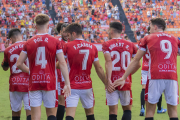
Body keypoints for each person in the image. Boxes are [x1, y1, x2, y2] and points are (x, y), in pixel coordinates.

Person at [113, 18, 179, 120]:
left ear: (155, 27)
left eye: (151, 26)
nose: (149, 29)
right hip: (172, 76)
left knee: (150, 110)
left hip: (155, 76)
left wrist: (124, 77)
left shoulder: (148, 38)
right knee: (173, 110)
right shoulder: (174, 39)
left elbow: (136, 59)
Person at [16, 14, 71, 120]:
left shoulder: (28, 42)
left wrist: (30, 71)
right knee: (51, 114)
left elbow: (19, 63)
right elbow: (62, 63)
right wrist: (67, 83)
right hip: (50, 81)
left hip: (34, 82)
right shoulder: (55, 41)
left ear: (35, 26)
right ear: (48, 26)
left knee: (35, 116)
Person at [59, 23, 107, 120]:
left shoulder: (67, 46)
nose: (68, 38)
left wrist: (53, 64)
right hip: (87, 86)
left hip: (72, 86)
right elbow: (99, 68)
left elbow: (61, 63)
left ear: (73, 33)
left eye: (68, 36)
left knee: (69, 115)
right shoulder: (92, 47)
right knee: (90, 114)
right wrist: (106, 83)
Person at [102, 22, 141, 120]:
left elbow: (108, 61)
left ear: (111, 31)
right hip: (125, 81)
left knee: (112, 112)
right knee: (127, 110)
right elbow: (138, 64)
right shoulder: (130, 44)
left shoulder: (107, 44)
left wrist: (108, 80)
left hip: (111, 82)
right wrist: (127, 75)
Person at [1, 28, 31, 120]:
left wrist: (6, 49)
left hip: (15, 84)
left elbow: (5, 68)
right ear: (21, 36)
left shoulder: (8, 50)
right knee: (30, 111)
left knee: (15, 112)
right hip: (29, 83)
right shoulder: (29, 45)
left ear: (10, 39)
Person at [140, 27, 167, 116]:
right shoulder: (156, 39)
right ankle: (159, 109)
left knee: (144, 87)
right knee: (159, 87)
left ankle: (142, 108)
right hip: (155, 67)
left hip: (145, 66)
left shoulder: (144, 40)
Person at [56, 23, 69, 120]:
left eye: (67, 32)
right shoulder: (58, 43)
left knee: (67, 101)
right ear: (60, 31)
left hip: (69, 75)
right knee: (62, 101)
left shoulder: (70, 43)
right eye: (64, 31)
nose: (65, 34)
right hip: (60, 75)